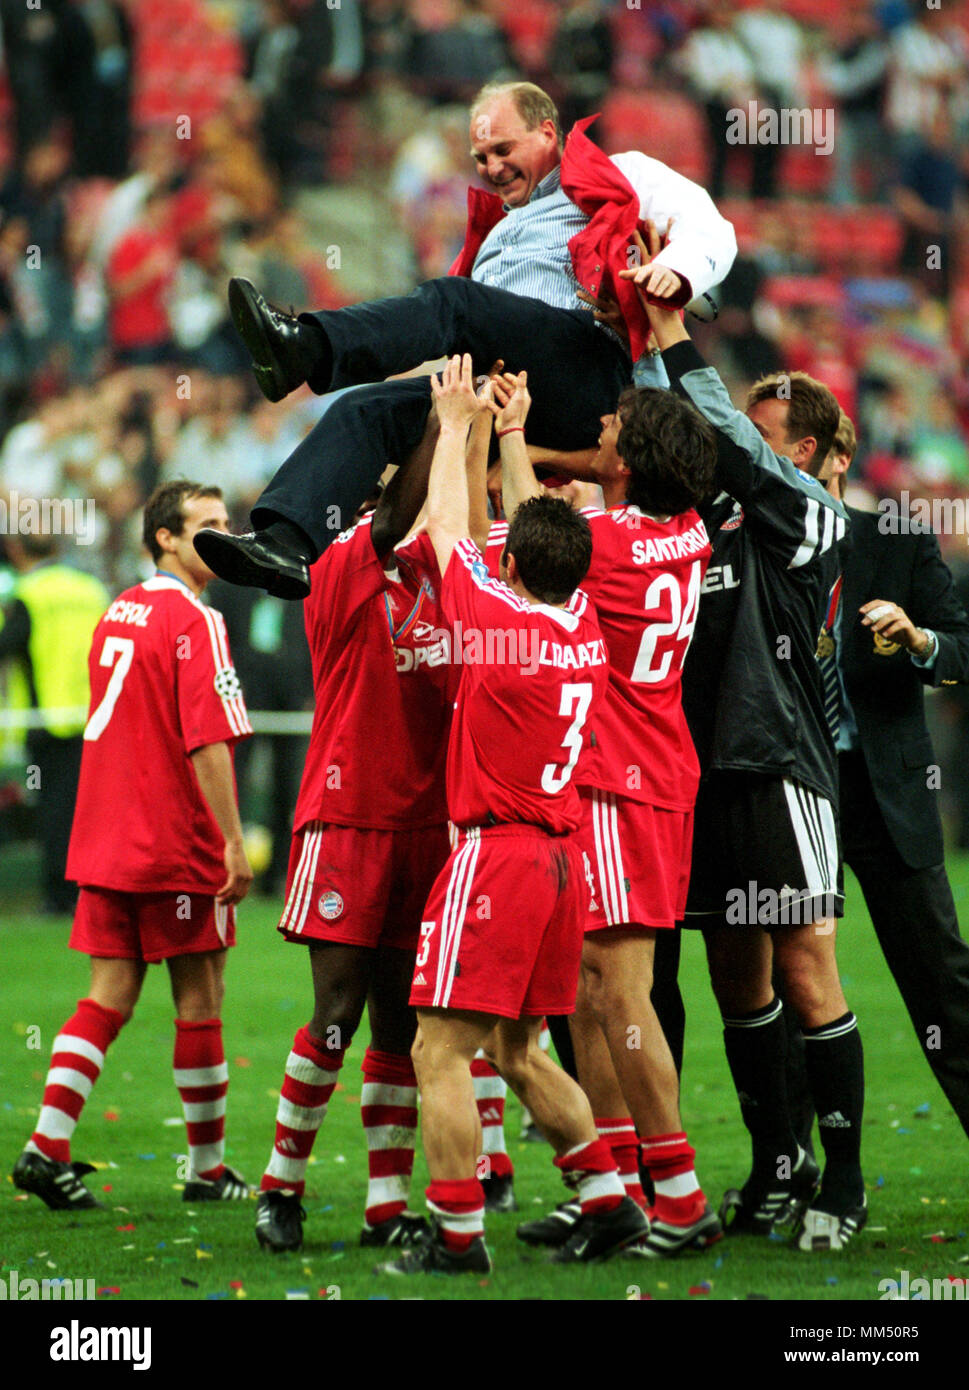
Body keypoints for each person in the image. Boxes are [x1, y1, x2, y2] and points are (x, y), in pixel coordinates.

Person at [193, 80, 736, 599]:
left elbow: (713, 229)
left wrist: (680, 273)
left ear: (548, 132)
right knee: (364, 410)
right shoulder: (497, 230)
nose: (492, 168)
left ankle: (306, 349)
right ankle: (284, 543)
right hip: (504, 389)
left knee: (454, 303)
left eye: (504, 149)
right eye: (481, 158)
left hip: (587, 367)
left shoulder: (619, 172)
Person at [379, 355, 647, 1276]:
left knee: (437, 1051)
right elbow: (523, 536)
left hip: (496, 859)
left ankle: (455, 1236)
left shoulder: (497, 626)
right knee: (520, 1051)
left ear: (515, 565)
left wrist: (455, 424)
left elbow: (453, 530)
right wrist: (513, 433)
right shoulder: (577, 626)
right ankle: (608, 1201)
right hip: (562, 862)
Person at [643, 297, 868, 1254]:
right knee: (735, 971)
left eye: (765, 431)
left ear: (807, 453)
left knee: (807, 968)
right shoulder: (706, 519)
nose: (737, 437)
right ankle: (778, 1164)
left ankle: (845, 1182)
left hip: (780, 766)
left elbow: (723, 437)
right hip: (701, 776)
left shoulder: (809, 516)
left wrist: (671, 333)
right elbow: (679, 444)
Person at [495, 368, 724, 1257]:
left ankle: (680, 1196)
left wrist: (515, 438)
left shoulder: (608, 545)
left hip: (616, 781)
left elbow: (535, 539)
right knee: (590, 992)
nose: (600, 426)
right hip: (653, 770)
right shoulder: (688, 533)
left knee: (620, 991)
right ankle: (619, 1192)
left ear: (627, 460)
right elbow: (579, 515)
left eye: (612, 426)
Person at [11, 482, 254, 1210]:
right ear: (164, 540)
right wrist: (234, 844)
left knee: (108, 995)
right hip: (173, 840)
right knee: (200, 998)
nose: (220, 534)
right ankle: (207, 1170)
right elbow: (206, 737)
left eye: (224, 523)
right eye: (203, 526)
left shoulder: (117, 608)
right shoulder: (196, 620)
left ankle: (45, 1147)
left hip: (107, 836)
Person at [253, 415, 460, 1255]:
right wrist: (441, 422)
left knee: (401, 1028)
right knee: (333, 1016)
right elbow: (386, 520)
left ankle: (384, 1203)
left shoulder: (446, 580)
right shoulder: (341, 565)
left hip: (427, 830)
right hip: (348, 819)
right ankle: (280, 1187)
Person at [820, 414, 969, 1144]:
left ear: (838, 456)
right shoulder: (757, 545)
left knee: (941, 983)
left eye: (788, 441)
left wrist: (918, 639)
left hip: (885, 790)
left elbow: (962, 647)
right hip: (795, 788)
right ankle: (791, 1172)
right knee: (784, 981)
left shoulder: (898, 538)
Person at [0, 533, 108, 914]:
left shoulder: (27, 593)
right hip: (93, 718)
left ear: (16, 550)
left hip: (44, 722)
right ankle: (87, 889)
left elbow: (6, 644)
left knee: (49, 806)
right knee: (86, 809)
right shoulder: (91, 589)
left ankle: (58, 895)